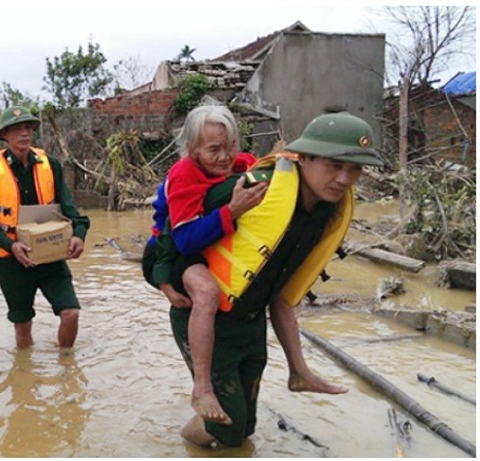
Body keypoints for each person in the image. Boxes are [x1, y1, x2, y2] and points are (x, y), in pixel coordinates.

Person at [161, 111, 383, 448]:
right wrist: (160, 276)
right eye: (334, 165)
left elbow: (282, 293)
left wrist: (299, 366)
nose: (343, 179)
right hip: (207, 318)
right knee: (229, 430)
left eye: (354, 169)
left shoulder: (325, 211)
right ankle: (180, 441)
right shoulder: (249, 190)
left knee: (243, 428)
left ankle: (277, 388)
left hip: (251, 322)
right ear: (304, 158)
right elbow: (171, 237)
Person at [142, 104, 267, 425]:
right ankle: (202, 387)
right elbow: (185, 240)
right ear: (192, 149)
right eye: (213, 150)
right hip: (169, 251)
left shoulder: (239, 164)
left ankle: (298, 369)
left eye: (230, 146)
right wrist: (232, 211)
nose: (224, 157)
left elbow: (257, 166)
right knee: (208, 292)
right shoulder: (183, 174)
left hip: (198, 244)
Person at [0, 105, 90, 350]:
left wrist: (79, 235)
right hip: (11, 261)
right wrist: (11, 245)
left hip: (50, 254)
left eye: (28, 128)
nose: (24, 133)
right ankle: (26, 370)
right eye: (16, 129)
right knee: (22, 325)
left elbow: (69, 208)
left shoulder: (50, 164)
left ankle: (66, 364)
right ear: (5, 135)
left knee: (71, 313)